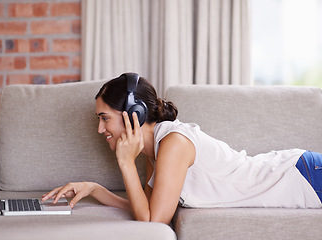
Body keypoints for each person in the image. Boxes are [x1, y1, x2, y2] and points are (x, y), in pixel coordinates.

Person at [42, 73, 322, 224]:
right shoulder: (156, 151)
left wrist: (125, 163)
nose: (100, 130)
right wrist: (95, 189)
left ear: (135, 114)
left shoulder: (173, 144)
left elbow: (154, 221)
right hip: (301, 174)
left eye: (105, 119)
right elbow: (145, 210)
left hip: (304, 177)